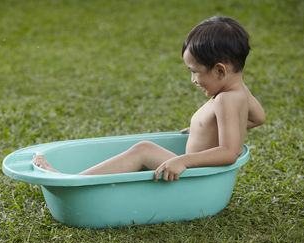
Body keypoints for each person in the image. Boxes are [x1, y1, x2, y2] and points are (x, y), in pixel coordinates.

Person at [33, 16, 265, 182]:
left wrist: (183, 161)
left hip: (195, 177)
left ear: (219, 71)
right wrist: (210, 130)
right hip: (193, 170)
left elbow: (229, 152)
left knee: (143, 149)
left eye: (195, 71)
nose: (193, 79)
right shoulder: (238, 91)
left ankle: (74, 180)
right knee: (143, 149)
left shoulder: (226, 100)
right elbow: (258, 118)